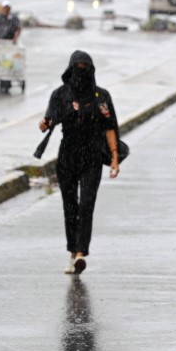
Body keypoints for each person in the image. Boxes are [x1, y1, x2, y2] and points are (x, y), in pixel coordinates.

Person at [39, 51, 121, 275]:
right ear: (70, 69)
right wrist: (45, 123)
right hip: (67, 156)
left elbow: (110, 127)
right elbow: (47, 120)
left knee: (86, 204)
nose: (81, 70)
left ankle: (81, 253)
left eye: (86, 66)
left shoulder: (101, 96)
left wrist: (114, 157)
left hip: (93, 156)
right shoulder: (61, 94)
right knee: (70, 206)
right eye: (78, 66)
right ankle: (72, 253)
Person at [0, 0, 22, 92]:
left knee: (10, 62)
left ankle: (8, 81)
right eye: (4, 7)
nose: (6, 9)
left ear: (10, 9)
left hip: (10, 44)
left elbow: (19, 28)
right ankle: (1, 80)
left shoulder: (14, 18)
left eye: (8, 8)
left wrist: (15, 38)